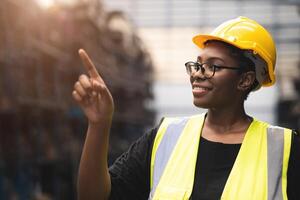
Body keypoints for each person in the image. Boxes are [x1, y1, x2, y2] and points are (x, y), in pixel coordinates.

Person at [73, 16, 300, 200]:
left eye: (213, 66)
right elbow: (94, 196)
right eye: (198, 64)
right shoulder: (165, 137)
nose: (197, 73)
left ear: (245, 80)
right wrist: (99, 124)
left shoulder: (285, 149)